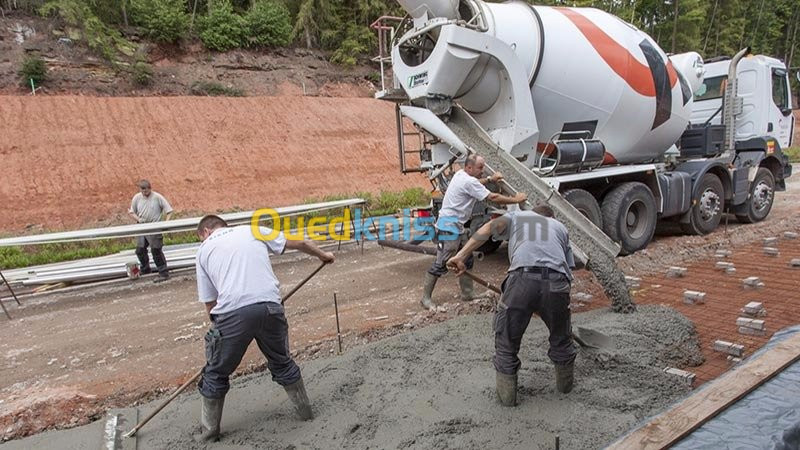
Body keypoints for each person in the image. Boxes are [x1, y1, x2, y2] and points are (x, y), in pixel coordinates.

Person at [193, 214, 335, 442]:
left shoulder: (203, 250)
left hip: (233, 312)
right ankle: (305, 413)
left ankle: (209, 434)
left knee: (215, 373)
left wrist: (221, 333)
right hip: (271, 306)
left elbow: (210, 304)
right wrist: (324, 255)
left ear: (206, 232)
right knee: (282, 361)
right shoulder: (251, 229)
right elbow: (300, 242)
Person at [447, 205, 578, 406]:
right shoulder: (560, 227)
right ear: (551, 217)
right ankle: (565, 391)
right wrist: (548, 304)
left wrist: (461, 255)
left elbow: (487, 228)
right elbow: (568, 271)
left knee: (506, 342)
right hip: (557, 283)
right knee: (561, 339)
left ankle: (507, 401)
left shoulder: (519, 216)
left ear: (534, 212)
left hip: (522, 278)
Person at [421, 154, 527, 309]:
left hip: (455, 225)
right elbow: (493, 197)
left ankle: (467, 293)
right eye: (480, 167)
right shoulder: (468, 180)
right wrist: (516, 199)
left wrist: (490, 179)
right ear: (469, 167)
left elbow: (477, 183)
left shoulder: (460, 175)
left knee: (467, 258)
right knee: (442, 263)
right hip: (447, 227)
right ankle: (425, 299)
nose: (482, 171)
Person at [128, 179, 173, 282]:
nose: (145, 193)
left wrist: (166, 223)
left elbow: (169, 210)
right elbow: (131, 212)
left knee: (156, 250)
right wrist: (138, 219)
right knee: (140, 250)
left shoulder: (157, 197)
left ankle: (163, 272)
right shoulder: (137, 198)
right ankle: (145, 268)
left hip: (154, 226)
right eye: (143, 191)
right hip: (142, 227)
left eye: (146, 191)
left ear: (150, 188)